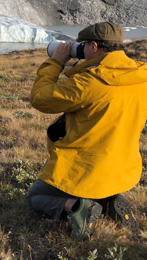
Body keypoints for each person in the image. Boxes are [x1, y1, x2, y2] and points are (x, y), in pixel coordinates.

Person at [26, 22, 147, 240]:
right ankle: (108, 199)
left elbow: (40, 98)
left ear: (93, 46)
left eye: (81, 46)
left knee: (35, 195)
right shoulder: (142, 76)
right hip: (123, 169)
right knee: (103, 177)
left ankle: (79, 207)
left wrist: (55, 62)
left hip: (86, 170)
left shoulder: (89, 82)